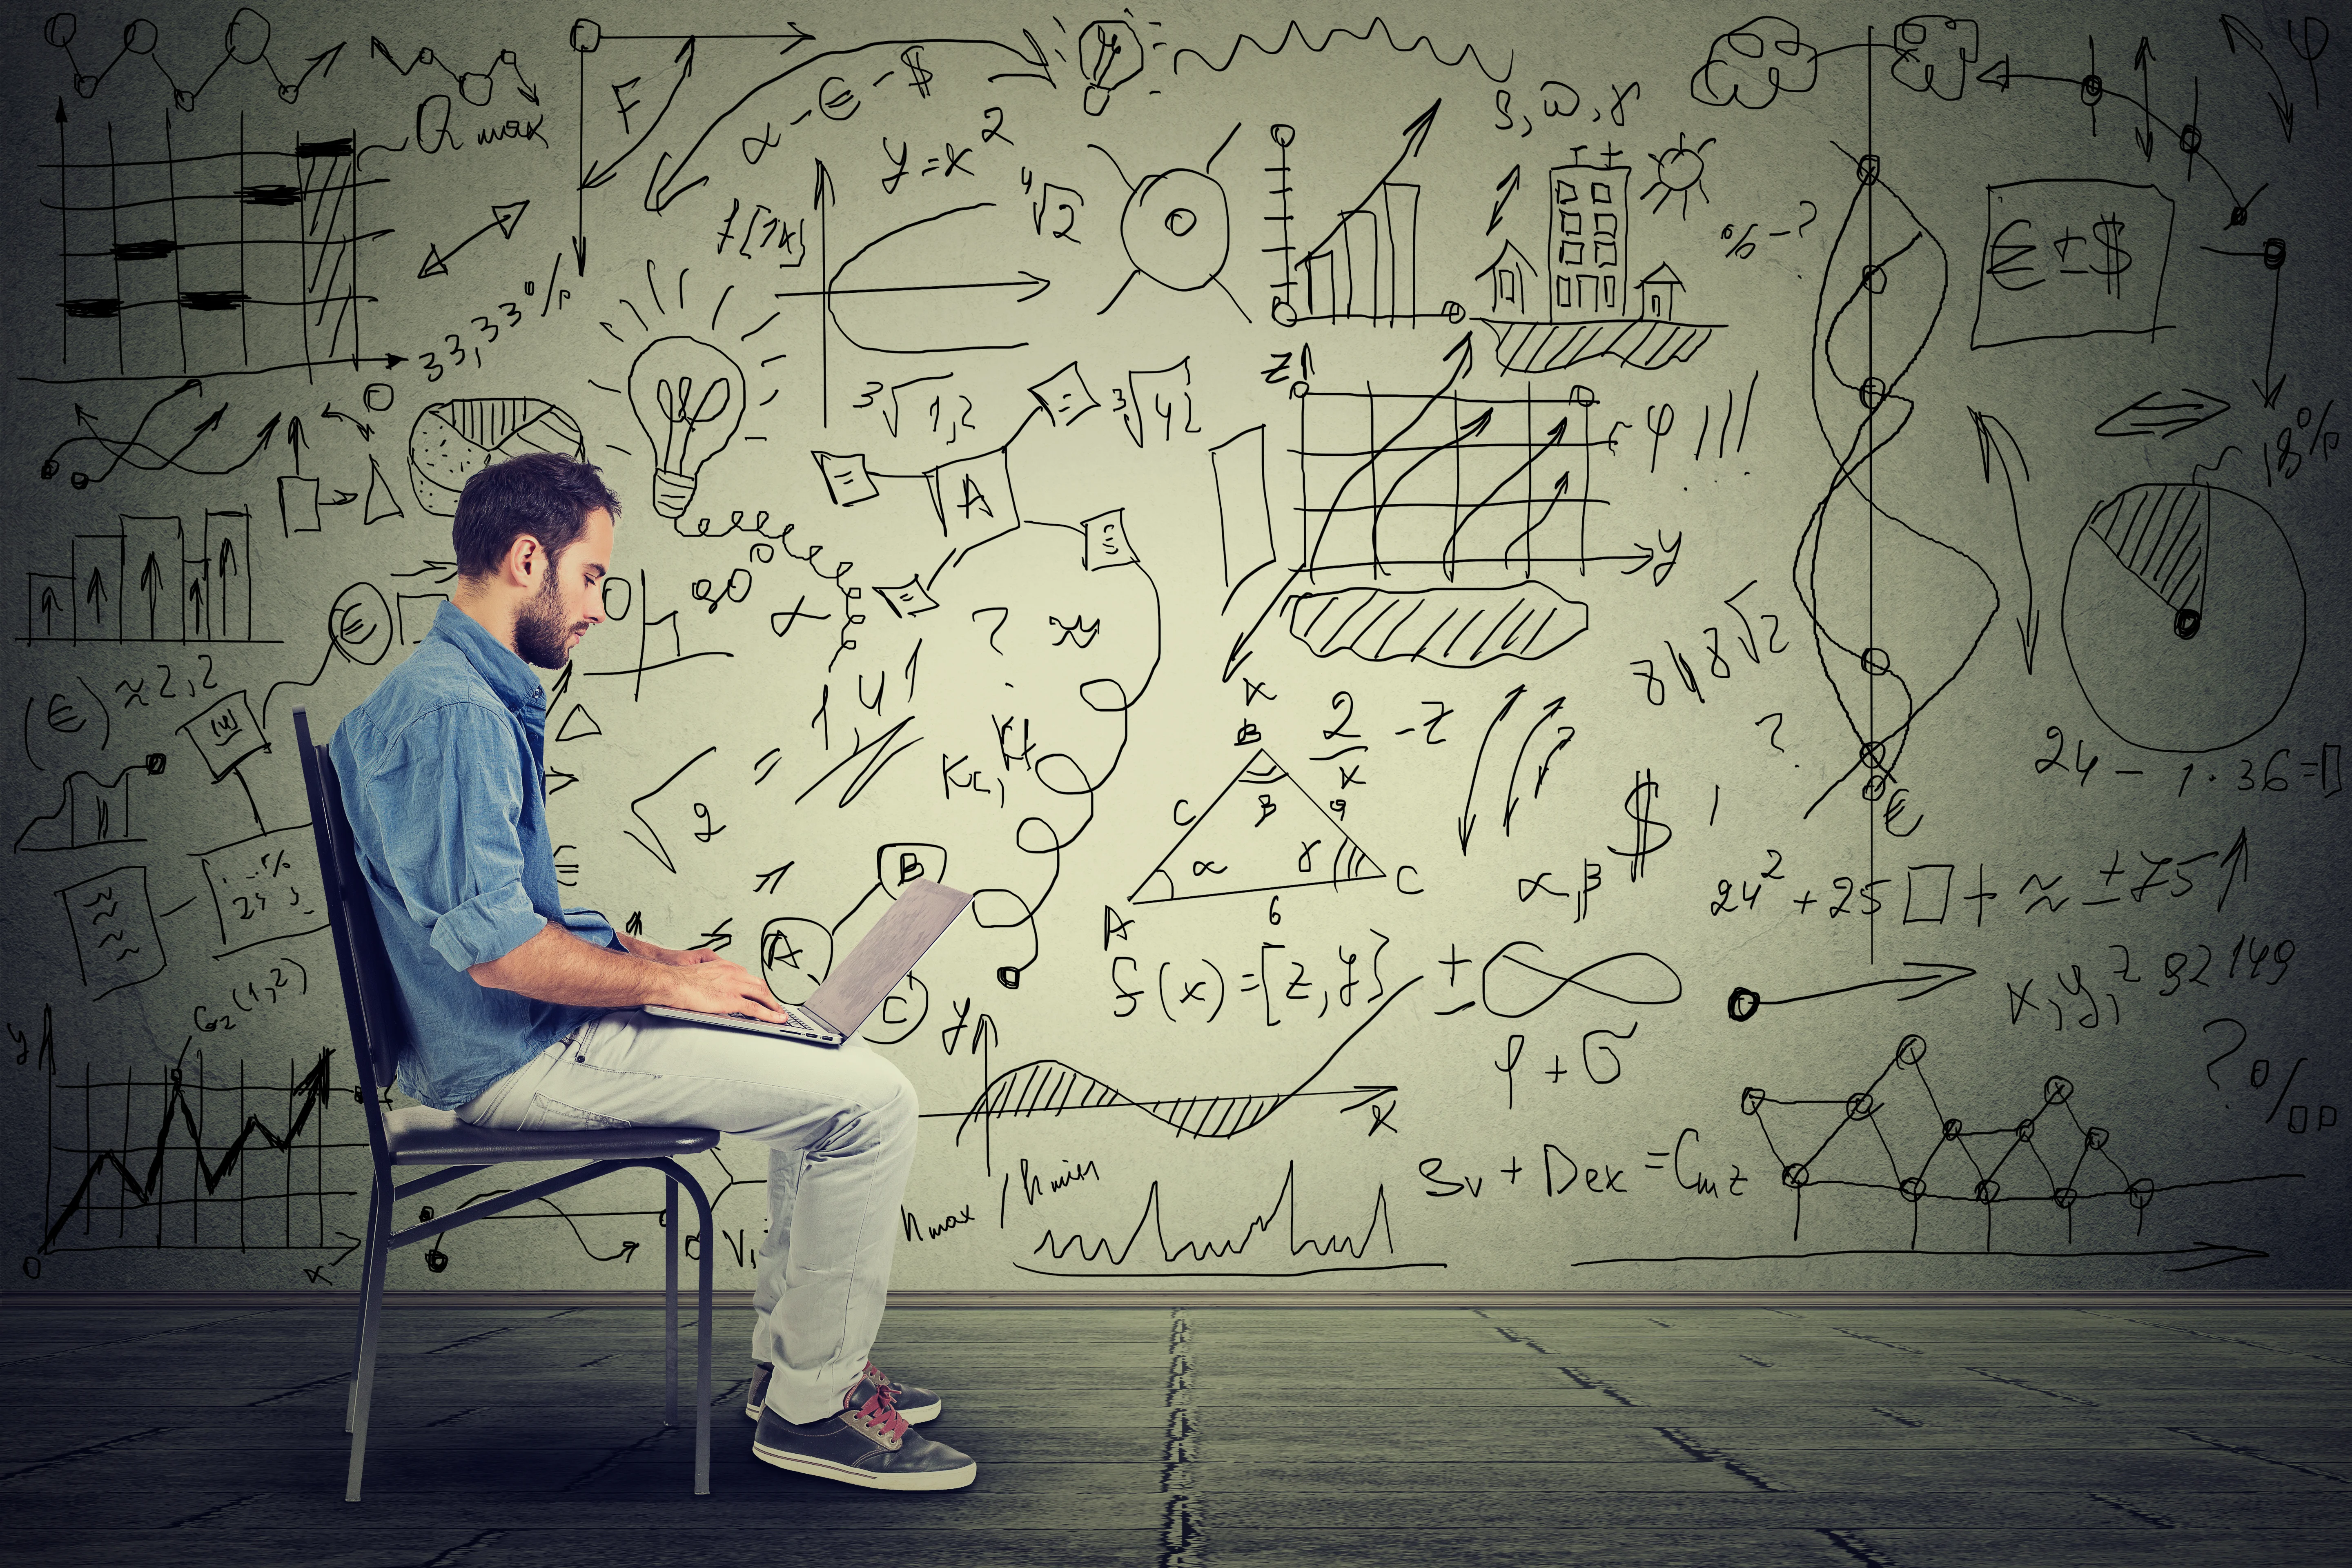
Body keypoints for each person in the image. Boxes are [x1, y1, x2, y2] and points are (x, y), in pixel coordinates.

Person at [328, 451, 973, 1491]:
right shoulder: (451, 716)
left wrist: (669, 961)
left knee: (815, 1063)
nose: (597, 610)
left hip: (527, 1034)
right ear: (526, 558)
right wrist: (671, 991)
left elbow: (510, 913)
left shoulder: (462, 695)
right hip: (514, 1056)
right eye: (591, 578)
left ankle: (798, 1369)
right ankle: (810, 1409)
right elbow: (500, 956)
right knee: (874, 1104)